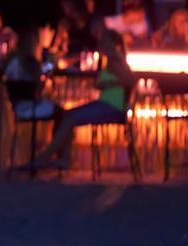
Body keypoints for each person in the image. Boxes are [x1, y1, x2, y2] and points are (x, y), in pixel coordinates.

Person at [31, 30, 134, 169]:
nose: (100, 43)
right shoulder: (111, 60)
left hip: (112, 107)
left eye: (104, 40)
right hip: (108, 105)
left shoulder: (114, 60)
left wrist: (107, 84)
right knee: (67, 115)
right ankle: (61, 158)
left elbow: (129, 80)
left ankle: (46, 157)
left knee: (69, 117)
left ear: (113, 44)